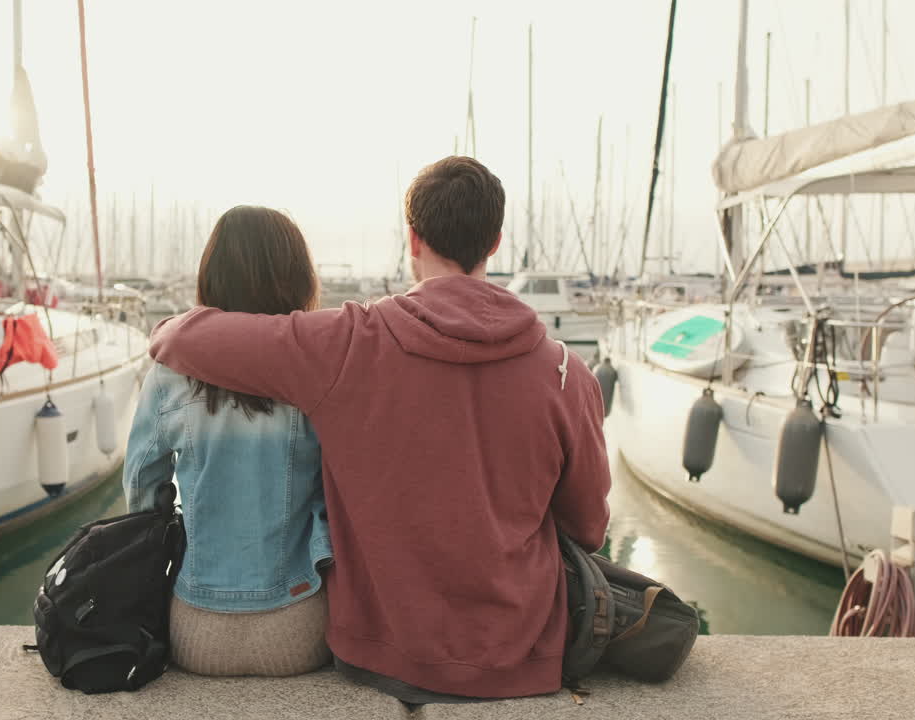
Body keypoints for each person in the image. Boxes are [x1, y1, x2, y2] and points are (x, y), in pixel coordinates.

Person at [147, 156, 612, 702]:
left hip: (378, 651)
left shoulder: (350, 344)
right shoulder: (567, 373)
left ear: (412, 240)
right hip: (522, 653)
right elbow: (587, 530)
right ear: (495, 242)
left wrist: (169, 324)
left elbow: (186, 342)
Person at [123, 205, 332, 677]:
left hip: (197, 627)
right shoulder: (317, 370)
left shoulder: (171, 371)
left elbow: (140, 487)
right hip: (298, 623)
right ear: (298, 276)